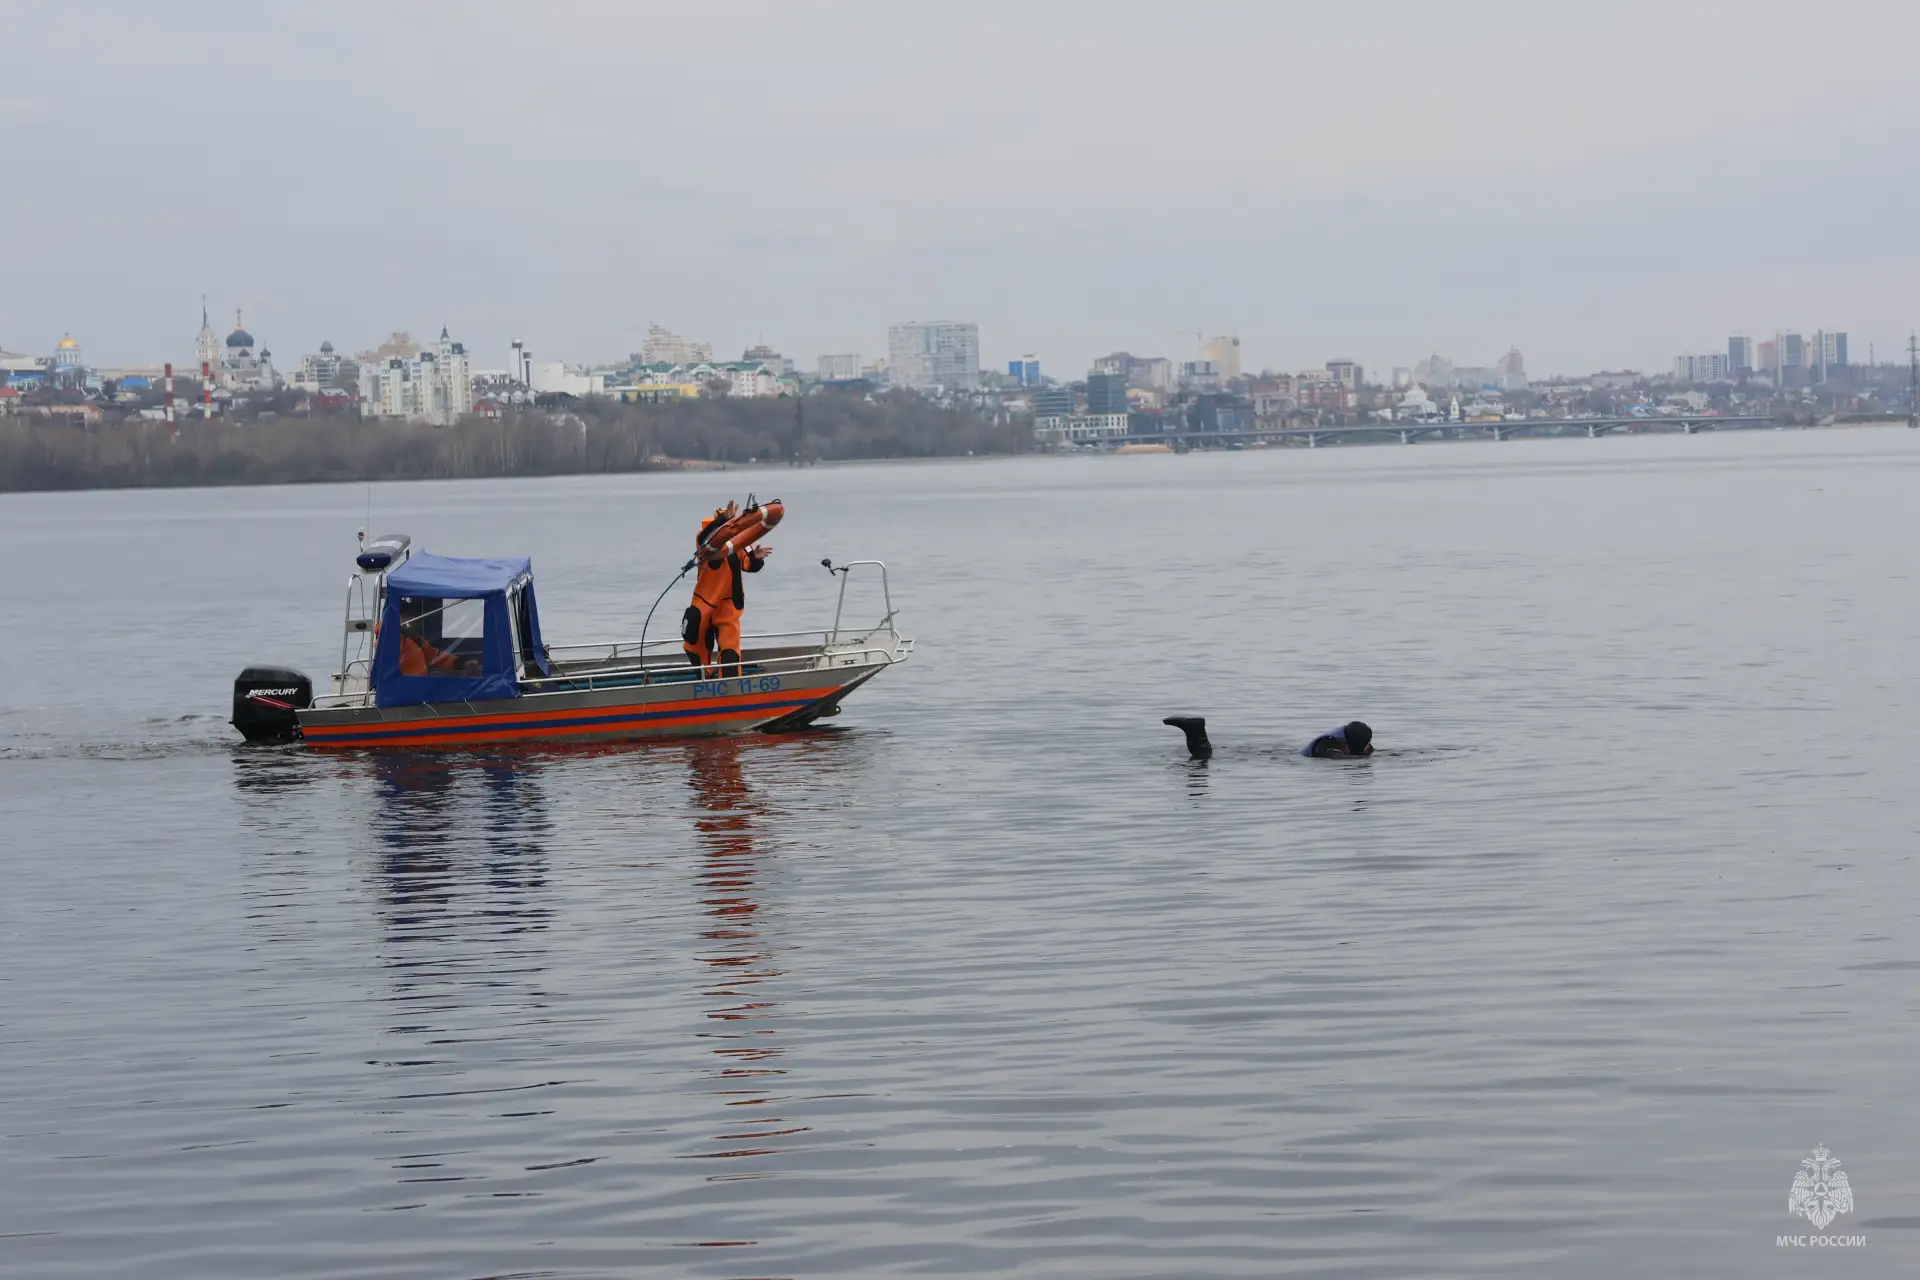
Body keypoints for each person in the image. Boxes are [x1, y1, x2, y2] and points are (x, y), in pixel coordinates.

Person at [682, 503, 772, 678]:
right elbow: (705, 538)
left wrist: (756, 558)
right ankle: (703, 677)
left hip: (729, 605)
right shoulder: (704, 539)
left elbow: (749, 565)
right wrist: (724, 520)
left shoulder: (740, 544)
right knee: (694, 639)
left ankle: (729, 685)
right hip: (704, 602)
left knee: (730, 650)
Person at [1303, 721, 1373, 758]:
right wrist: (1361, 758)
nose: (1368, 746)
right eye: (1367, 745)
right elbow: (1334, 757)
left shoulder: (1349, 736)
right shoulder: (1326, 743)